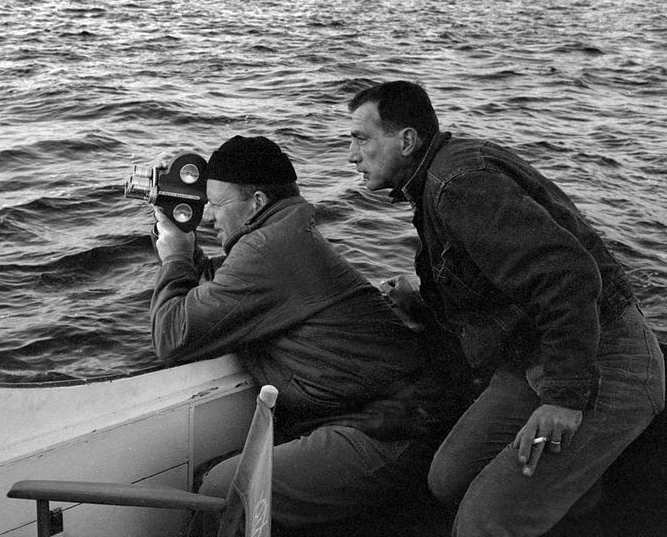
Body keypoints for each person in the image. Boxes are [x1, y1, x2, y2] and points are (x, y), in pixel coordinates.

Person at [346, 80, 665, 536]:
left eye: (361, 139)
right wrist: (420, 305)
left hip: (603, 361)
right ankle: (571, 497)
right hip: (533, 356)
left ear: (407, 140)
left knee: (483, 521)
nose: (351, 156)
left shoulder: (457, 184)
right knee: (448, 477)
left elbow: (568, 273)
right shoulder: (438, 179)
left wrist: (564, 398)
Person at [149, 135, 469, 536]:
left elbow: (172, 336)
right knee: (214, 472)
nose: (210, 217)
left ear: (258, 203)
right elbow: (225, 293)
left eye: (216, 204)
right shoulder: (284, 236)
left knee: (224, 486)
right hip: (369, 416)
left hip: (389, 430)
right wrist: (179, 244)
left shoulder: (270, 246)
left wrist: (176, 256)